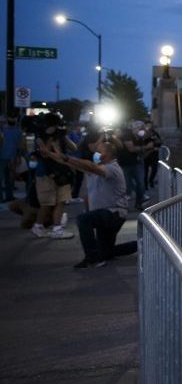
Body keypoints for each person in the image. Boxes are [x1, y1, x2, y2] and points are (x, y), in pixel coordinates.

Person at [39, 141, 135, 269]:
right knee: (106, 252)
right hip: (105, 214)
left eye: (99, 151)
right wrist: (51, 154)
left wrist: (66, 157)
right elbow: (67, 162)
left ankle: (92, 259)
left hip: (113, 214)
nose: (96, 154)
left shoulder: (112, 168)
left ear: (108, 155)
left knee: (83, 219)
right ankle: (140, 244)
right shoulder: (97, 168)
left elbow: (91, 167)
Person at [1, 114, 24, 202]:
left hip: (2, 157)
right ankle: (9, 196)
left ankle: (1, 197)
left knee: (2, 177)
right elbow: (20, 146)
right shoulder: (18, 132)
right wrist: (18, 157)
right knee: (10, 178)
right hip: (12, 157)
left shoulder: (3, 130)